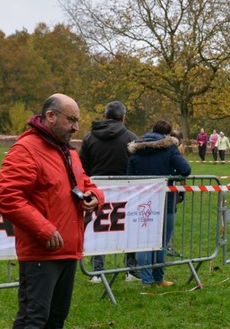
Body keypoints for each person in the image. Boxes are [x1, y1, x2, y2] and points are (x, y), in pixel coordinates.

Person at [0, 94, 104, 329]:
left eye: (77, 120)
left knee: (55, 319)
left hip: (68, 249)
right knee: (32, 320)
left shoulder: (67, 151)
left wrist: (95, 197)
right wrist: (43, 229)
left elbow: (86, 183)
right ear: (51, 116)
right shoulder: (26, 149)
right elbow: (7, 195)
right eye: (72, 120)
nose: (76, 127)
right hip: (41, 251)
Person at [126, 119, 192, 288]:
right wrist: (172, 172)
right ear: (167, 134)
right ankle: (159, 278)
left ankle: (146, 280)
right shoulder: (170, 148)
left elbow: (129, 176)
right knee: (162, 241)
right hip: (165, 200)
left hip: (142, 201)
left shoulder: (137, 149)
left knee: (143, 241)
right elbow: (185, 170)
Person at [79, 100, 138, 282]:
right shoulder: (131, 138)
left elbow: (82, 166)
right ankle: (130, 269)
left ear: (104, 116)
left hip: (96, 191)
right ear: (123, 117)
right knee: (129, 228)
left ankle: (97, 272)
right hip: (125, 191)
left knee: (98, 228)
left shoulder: (89, 137)